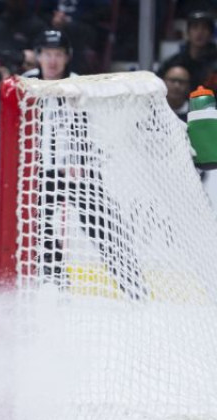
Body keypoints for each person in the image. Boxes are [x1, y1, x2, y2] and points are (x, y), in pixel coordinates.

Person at [23, 30, 146, 300]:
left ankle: (134, 287)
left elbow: (94, 125)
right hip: (41, 172)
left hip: (79, 169)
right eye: (47, 54)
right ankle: (55, 281)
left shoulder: (82, 84)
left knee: (101, 225)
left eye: (58, 54)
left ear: (67, 57)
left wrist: (81, 159)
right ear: (38, 56)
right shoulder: (26, 84)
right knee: (36, 223)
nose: (52, 60)